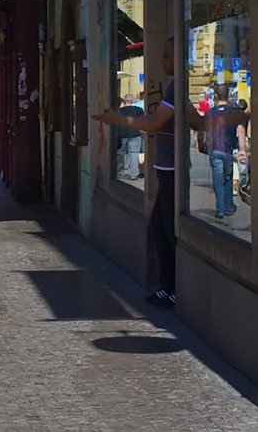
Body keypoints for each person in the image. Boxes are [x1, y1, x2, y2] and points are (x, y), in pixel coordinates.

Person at [93, 37, 222, 309]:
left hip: (172, 169)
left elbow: (153, 123)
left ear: (178, 58)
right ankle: (168, 286)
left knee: (164, 230)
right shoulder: (178, 88)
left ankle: (171, 288)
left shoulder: (176, 88)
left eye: (166, 56)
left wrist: (118, 119)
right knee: (159, 228)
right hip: (167, 168)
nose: (162, 61)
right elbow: (195, 123)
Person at [204, 84, 243, 219]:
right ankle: (229, 207)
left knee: (217, 180)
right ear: (228, 95)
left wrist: (206, 147)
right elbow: (241, 130)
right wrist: (242, 149)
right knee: (228, 178)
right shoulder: (234, 111)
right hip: (228, 149)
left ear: (215, 96)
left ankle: (220, 209)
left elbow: (206, 132)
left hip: (215, 150)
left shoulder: (209, 113)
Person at [117, 94, 145, 180]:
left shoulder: (119, 111)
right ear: (132, 101)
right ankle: (134, 174)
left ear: (124, 102)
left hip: (122, 135)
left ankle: (119, 172)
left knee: (120, 154)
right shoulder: (138, 110)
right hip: (135, 134)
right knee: (134, 154)